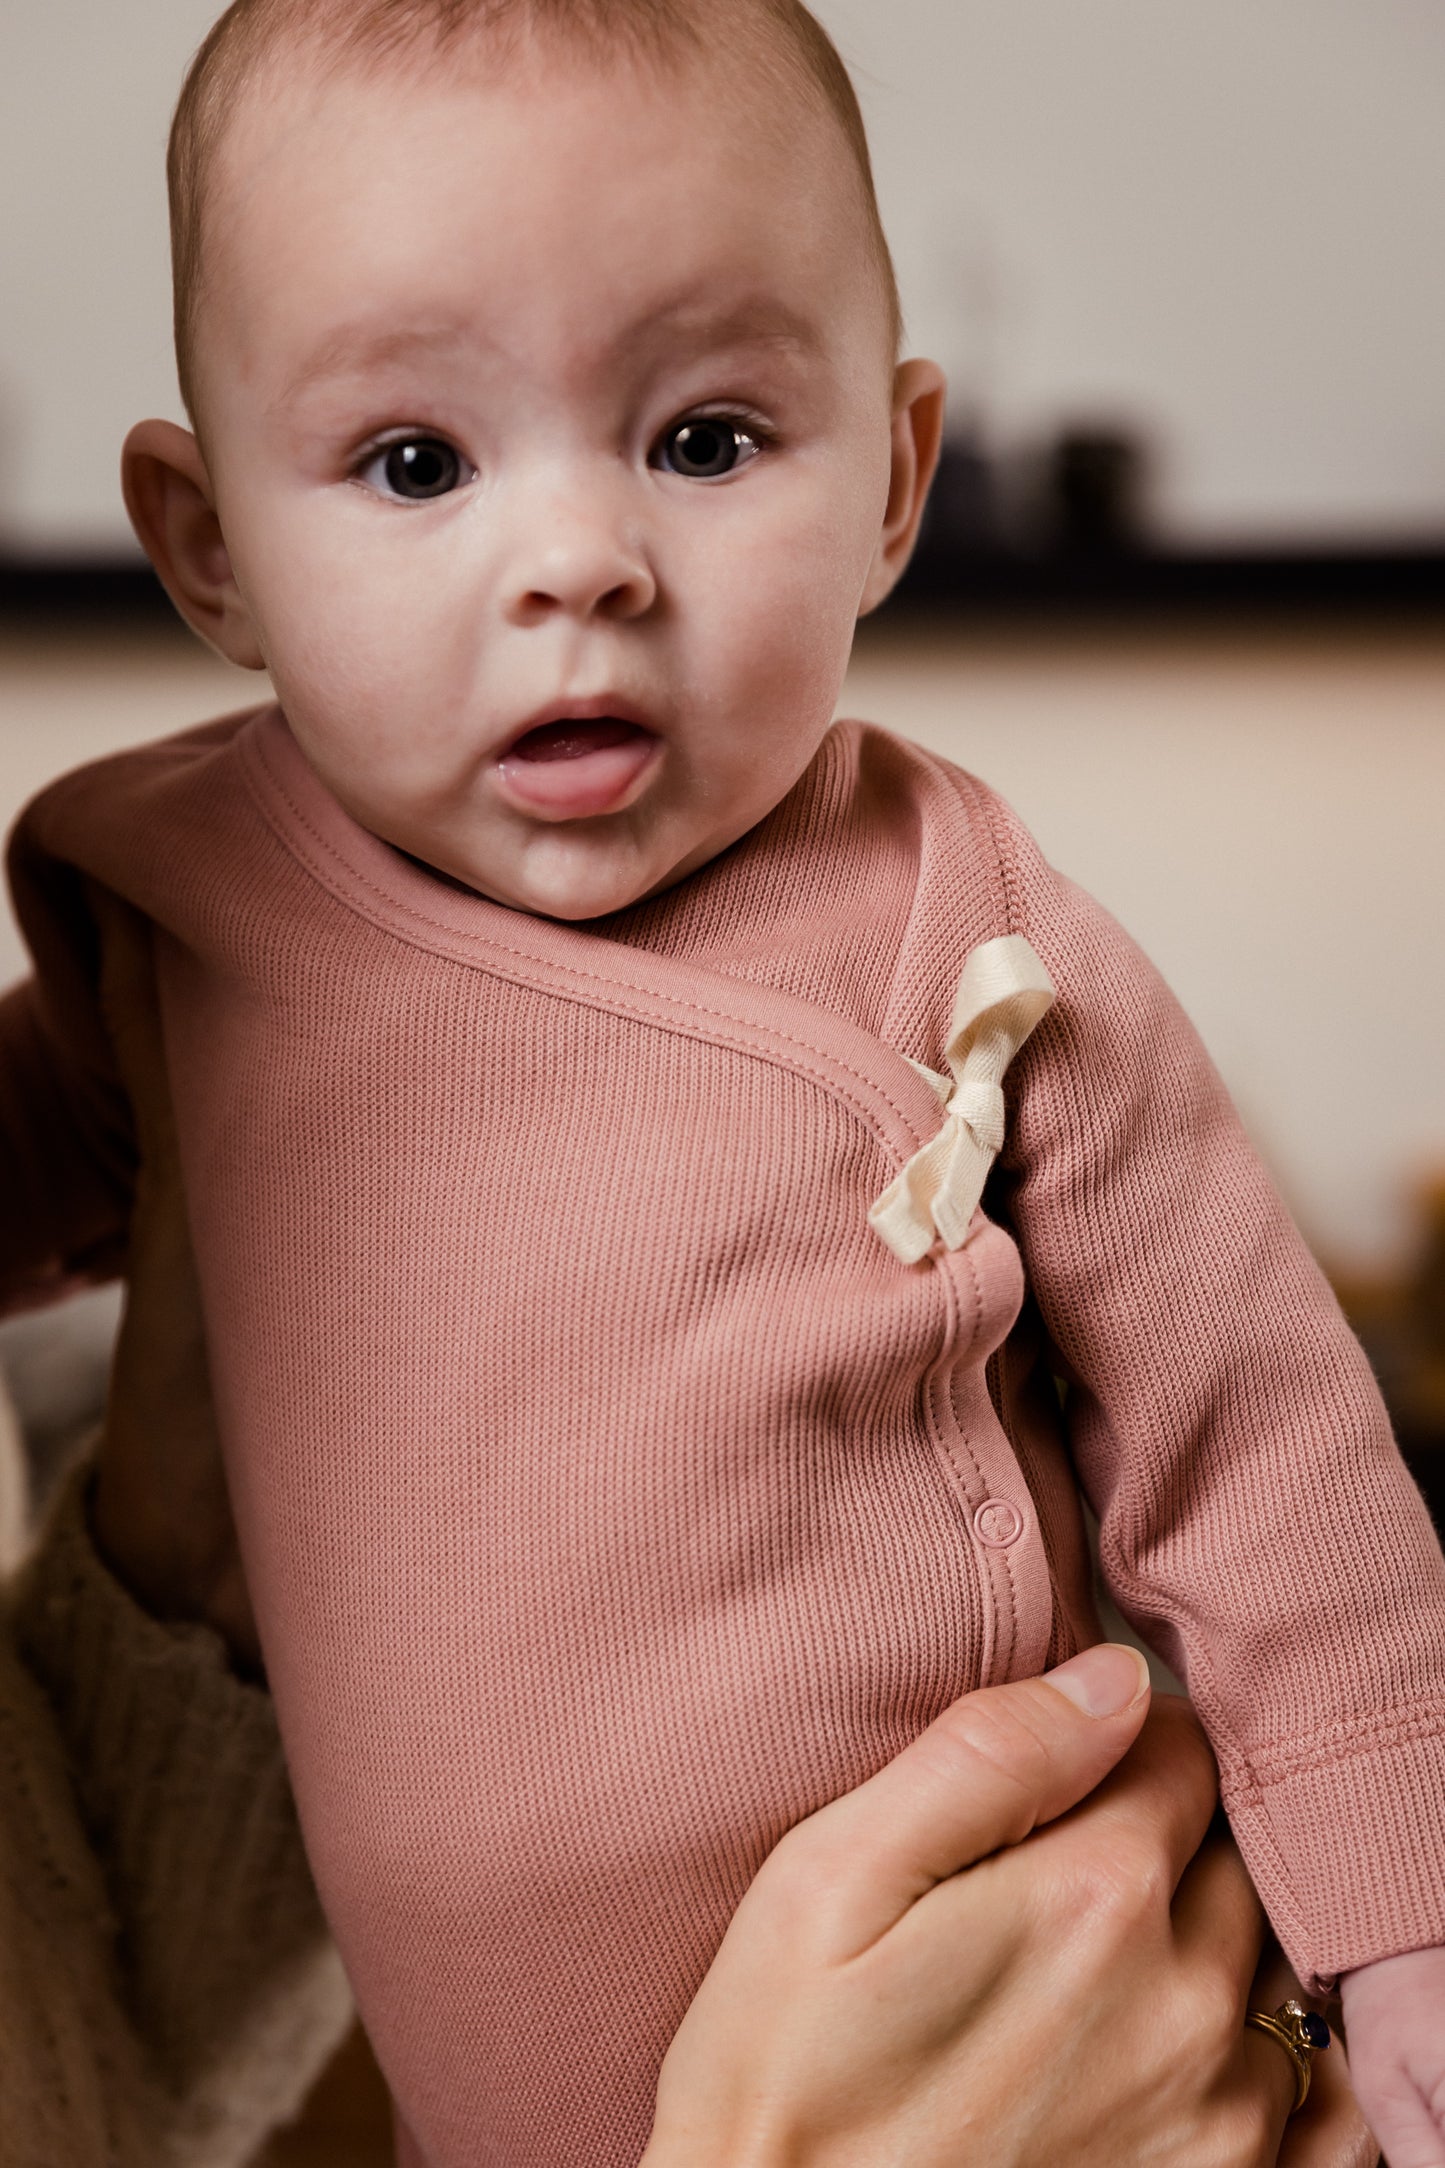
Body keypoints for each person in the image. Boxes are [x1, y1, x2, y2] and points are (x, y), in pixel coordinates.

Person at [0, 0, 1441, 2160]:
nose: (578, 559)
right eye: (418, 464)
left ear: (891, 480)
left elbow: (1253, 1428)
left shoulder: (946, 903)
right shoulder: (188, 914)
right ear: (210, 552)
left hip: (1007, 2022)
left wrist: (1401, 1909)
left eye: (704, 438)